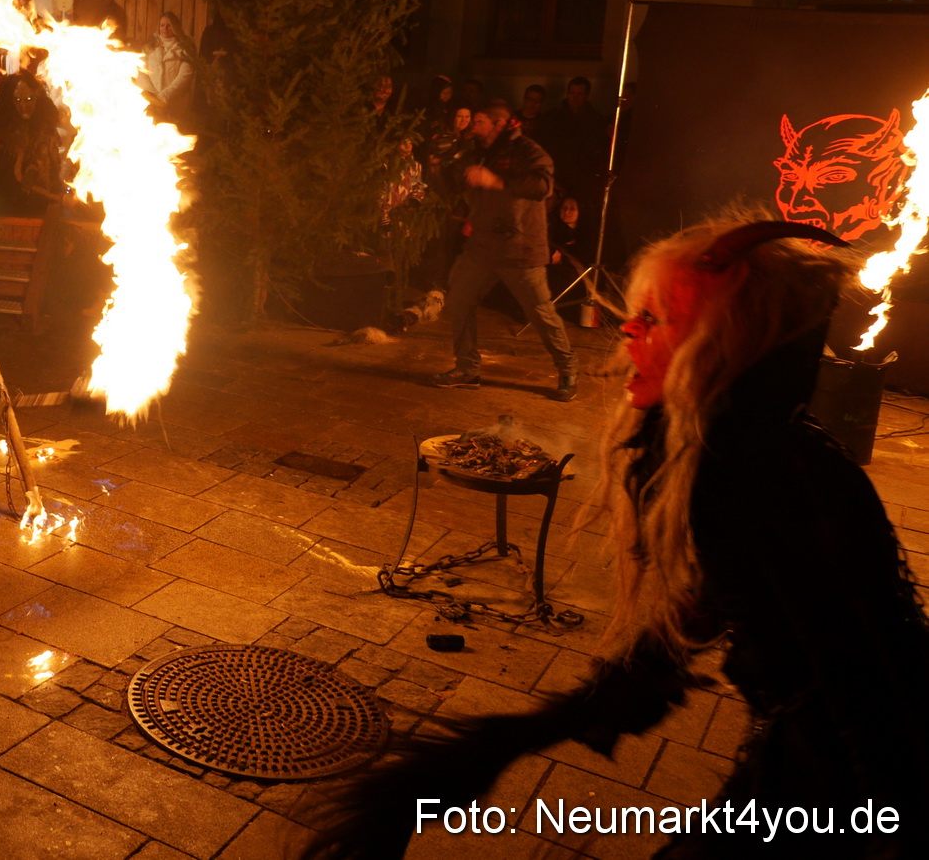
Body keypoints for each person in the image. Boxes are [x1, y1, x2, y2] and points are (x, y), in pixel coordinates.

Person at [310, 215, 929, 859]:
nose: (628, 330)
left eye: (657, 319)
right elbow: (725, 597)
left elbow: (870, 690)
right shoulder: (742, 452)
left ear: (727, 346)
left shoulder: (767, 475)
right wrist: (582, 706)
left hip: (837, 790)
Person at [432, 100, 578, 399]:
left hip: (519, 248)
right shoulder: (480, 154)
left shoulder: (528, 151)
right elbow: (452, 186)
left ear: (500, 124)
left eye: (481, 121)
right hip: (482, 246)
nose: (474, 125)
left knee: (540, 313)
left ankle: (568, 369)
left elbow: (541, 186)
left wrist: (495, 180)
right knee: (459, 301)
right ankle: (467, 368)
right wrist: (436, 164)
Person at [536, 75, 608, 202]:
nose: (574, 98)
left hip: (583, 181)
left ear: (587, 95)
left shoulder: (596, 122)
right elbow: (543, 148)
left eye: (579, 94)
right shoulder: (551, 118)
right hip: (556, 177)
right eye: (572, 93)